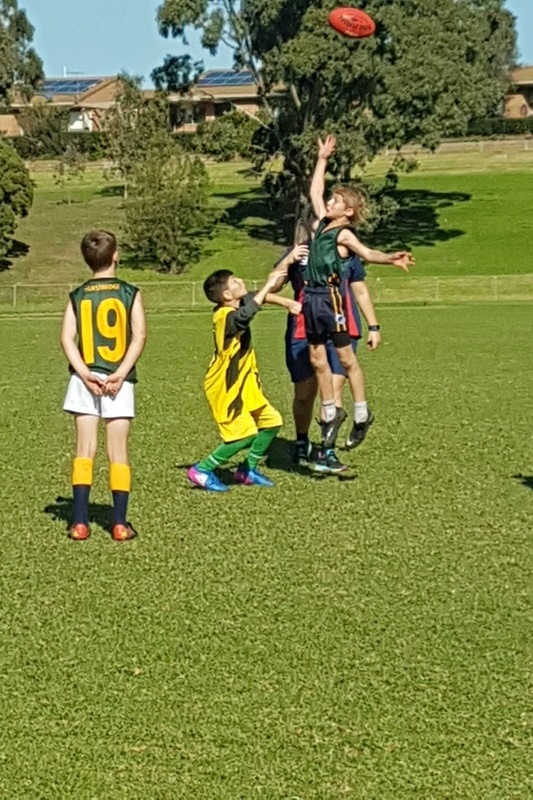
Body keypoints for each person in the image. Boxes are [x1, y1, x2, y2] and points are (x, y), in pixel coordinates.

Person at [304, 134, 414, 471]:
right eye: (332, 199)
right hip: (311, 298)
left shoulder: (344, 233)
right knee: (316, 359)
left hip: (332, 299)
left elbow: (367, 254)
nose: (331, 201)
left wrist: (390, 259)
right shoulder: (323, 223)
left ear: (348, 211)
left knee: (346, 359)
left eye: (337, 200)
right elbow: (314, 192)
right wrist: (322, 159)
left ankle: (362, 411)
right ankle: (331, 410)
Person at [60, 230, 147, 541]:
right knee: (118, 452)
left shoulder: (78, 294)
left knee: (84, 450)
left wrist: (84, 374)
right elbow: (139, 336)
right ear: (116, 256)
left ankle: (80, 523)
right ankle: (120, 524)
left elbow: (66, 338)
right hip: (118, 380)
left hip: (85, 380)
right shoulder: (130, 292)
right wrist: (121, 373)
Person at [275, 237, 381, 472]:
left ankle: (327, 450)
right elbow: (273, 285)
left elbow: (360, 290)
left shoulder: (345, 249)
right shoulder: (298, 251)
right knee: (304, 393)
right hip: (303, 329)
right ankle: (301, 441)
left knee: (333, 390)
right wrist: (287, 262)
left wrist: (373, 326)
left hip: (342, 326)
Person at [188, 267, 294, 492]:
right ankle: (203, 469)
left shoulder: (235, 303)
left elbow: (255, 296)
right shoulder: (225, 316)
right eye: (235, 281)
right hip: (225, 386)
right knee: (243, 436)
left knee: (272, 422)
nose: (241, 281)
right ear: (227, 295)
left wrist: (287, 302)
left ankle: (247, 470)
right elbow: (246, 315)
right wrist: (269, 284)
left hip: (244, 384)